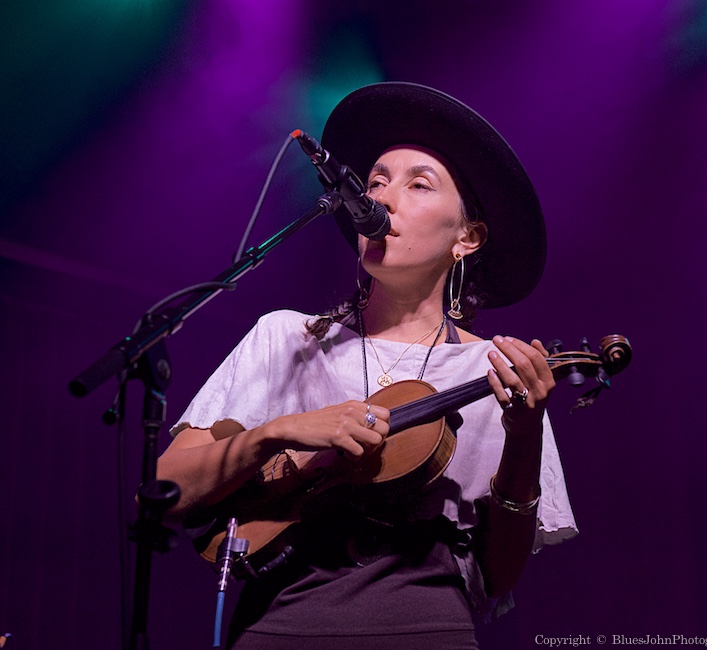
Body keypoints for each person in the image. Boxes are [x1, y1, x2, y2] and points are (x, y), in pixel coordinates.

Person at [157, 82, 576, 649]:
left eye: (418, 184)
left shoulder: (494, 366)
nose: (383, 199)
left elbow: (501, 574)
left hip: (427, 631)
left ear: (467, 238)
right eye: (376, 181)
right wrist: (276, 431)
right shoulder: (289, 337)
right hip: (275, 626)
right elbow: (163, 489)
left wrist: (523, 435)